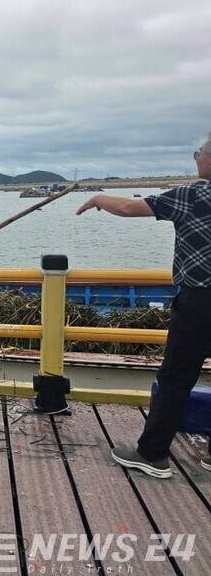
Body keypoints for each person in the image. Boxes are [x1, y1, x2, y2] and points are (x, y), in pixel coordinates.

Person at [76, 134, 211, 479]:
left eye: (198, 153)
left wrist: (97, 197)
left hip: (200, 302)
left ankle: (152, 455)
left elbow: (128, 208)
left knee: (175, 379)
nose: (196, 158)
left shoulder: (193, 195)